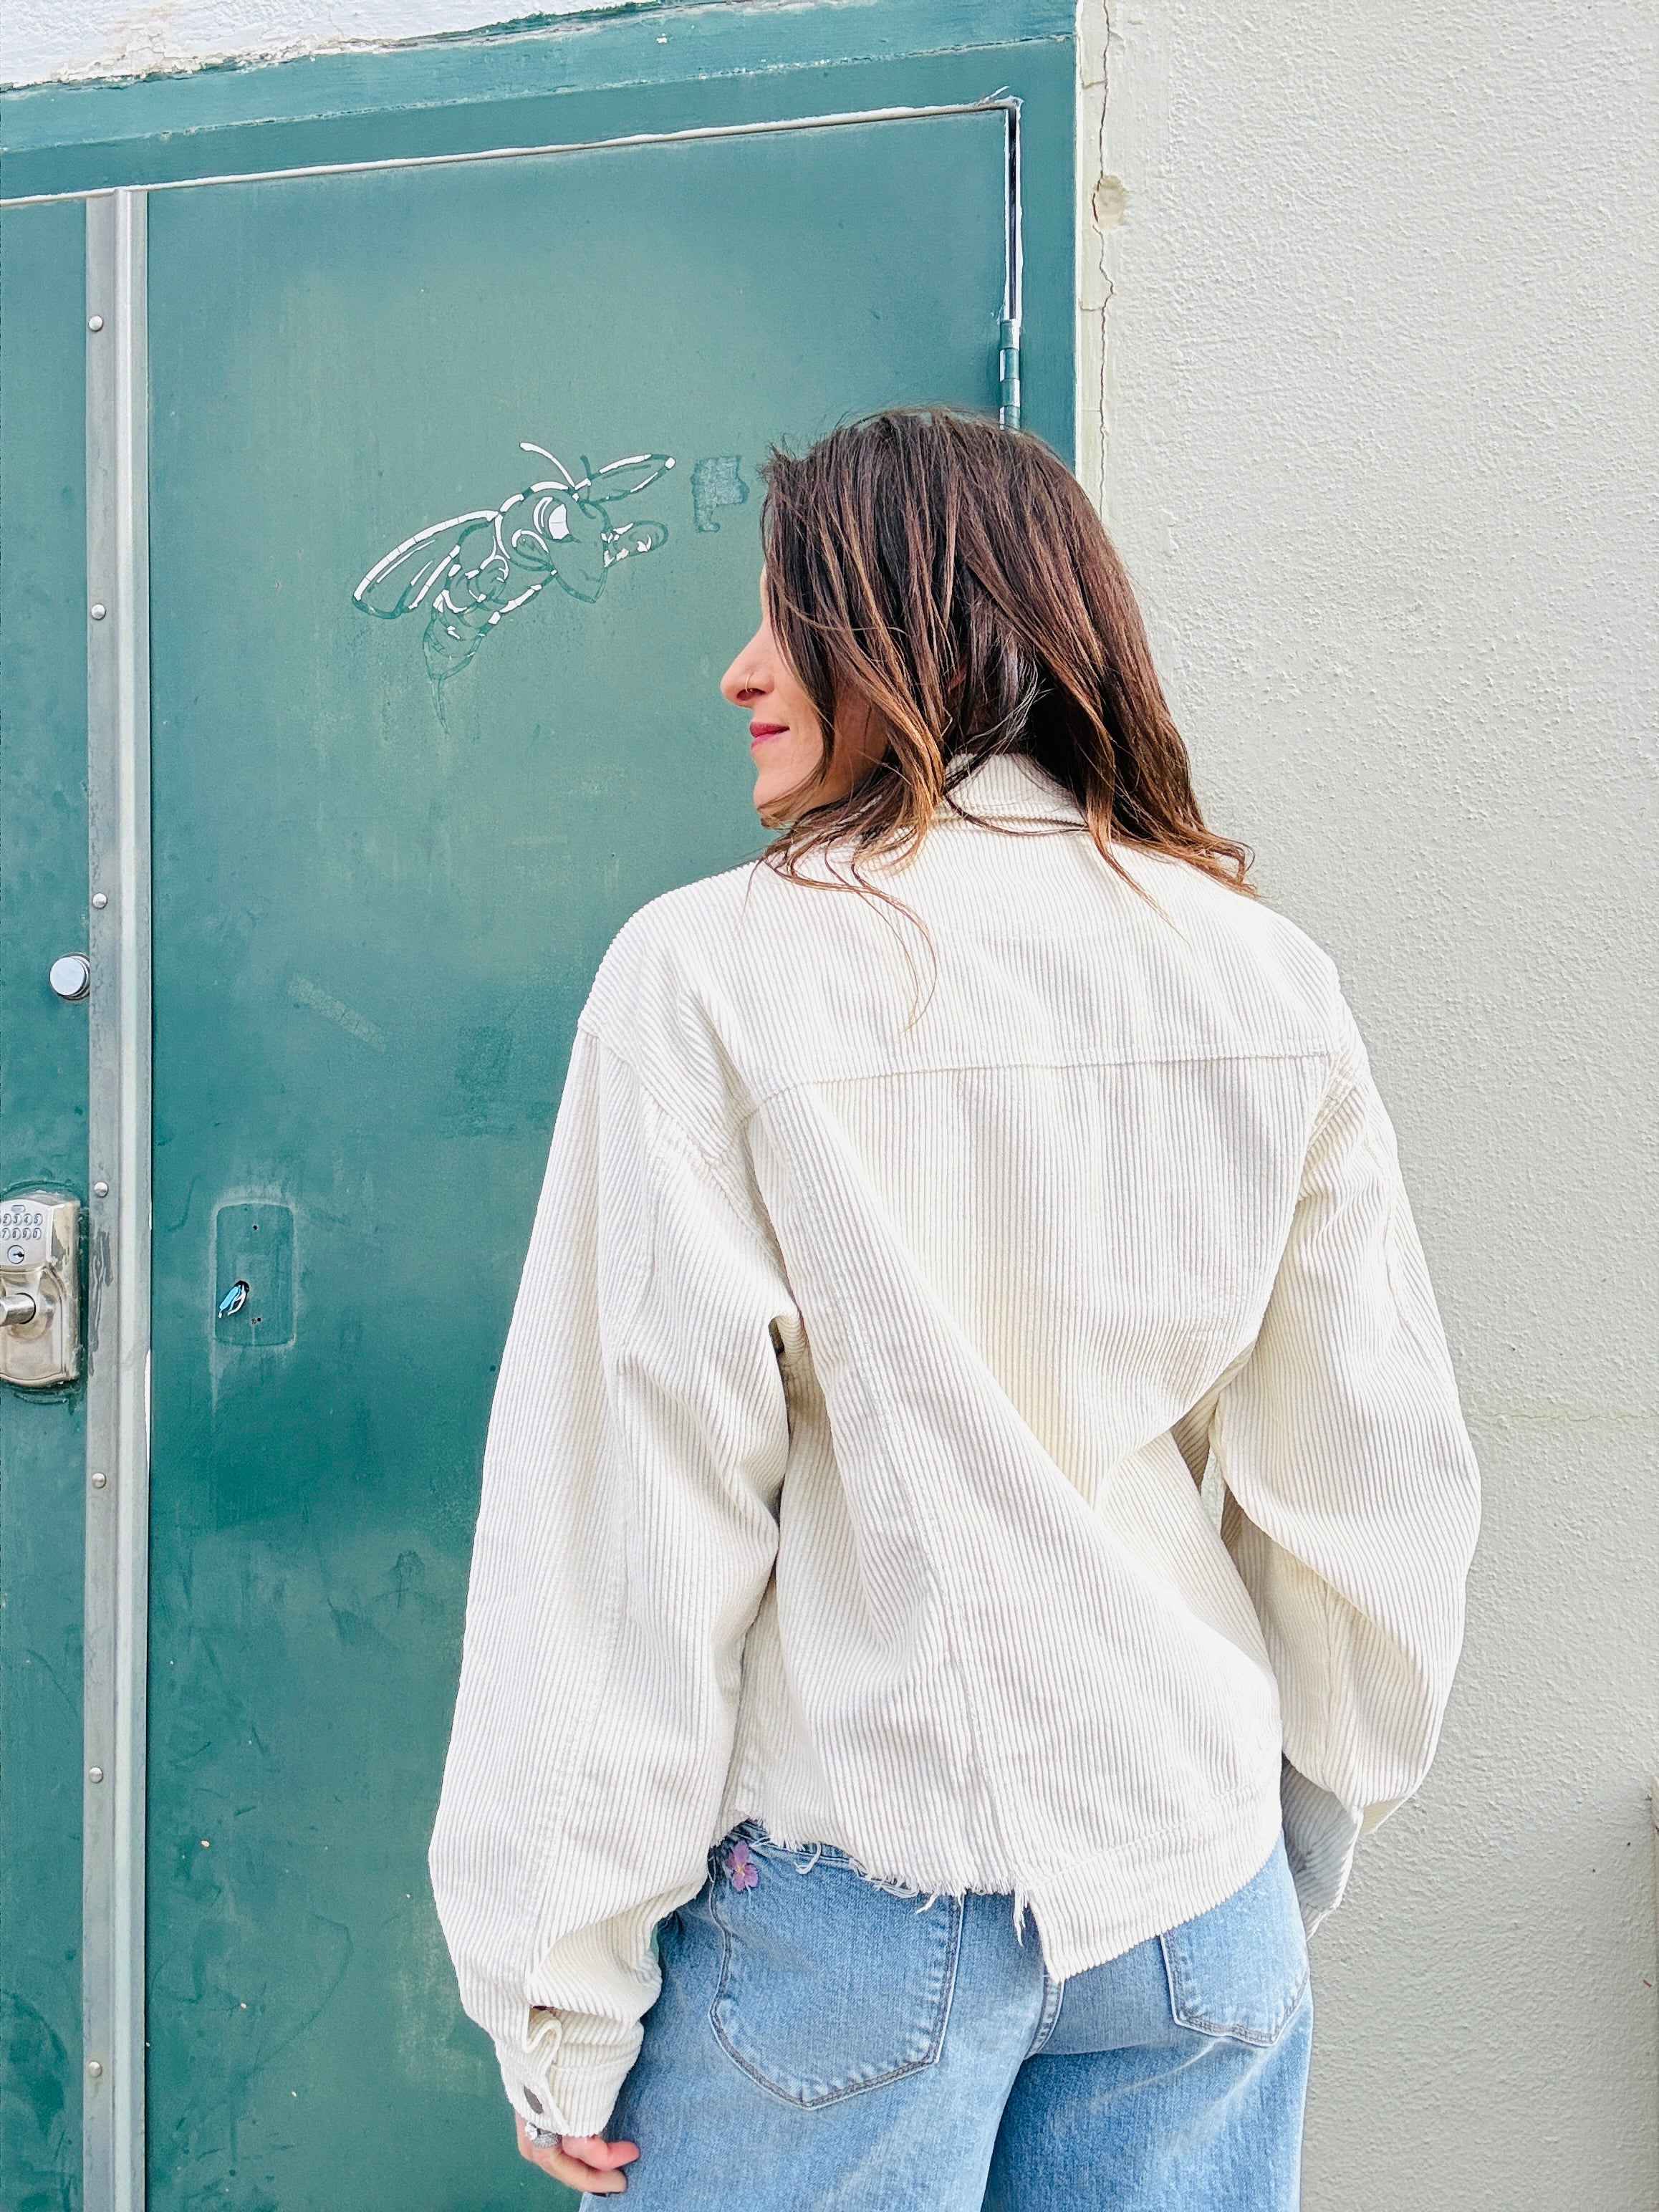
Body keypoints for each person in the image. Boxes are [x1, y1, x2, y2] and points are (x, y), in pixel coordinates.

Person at [428, 410, 1480, 2208]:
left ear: (921, 627)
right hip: (1194, 1890)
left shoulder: (713, 974)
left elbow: (631, 1527)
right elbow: (1368, 1476)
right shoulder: (1258, 968)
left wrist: (560, 1985)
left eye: (789, 616)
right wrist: (1296, 1825)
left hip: (855, 1915)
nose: (737, 669)